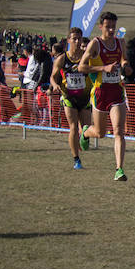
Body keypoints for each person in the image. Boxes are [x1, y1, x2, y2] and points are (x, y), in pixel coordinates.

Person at [79, 11, 133, 181]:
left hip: (117, 91)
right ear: (100, 26)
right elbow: (81, 67)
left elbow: (124, 59)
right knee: (101, 132)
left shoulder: (120, 42)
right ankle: (86, 133)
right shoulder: (95, 44)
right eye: (108, 27)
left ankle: (119, 169)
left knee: (119, 131)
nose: (111, 30)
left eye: (113, 27)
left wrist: (126, 66)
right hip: (100, 92)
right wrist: (103, 68)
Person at [51, 28, 93, 168]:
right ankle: (76, 159)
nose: (77, 41)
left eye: (79, 38)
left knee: (86, 128)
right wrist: (55, 85)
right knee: (73, 127)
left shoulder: (87, 57)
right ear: (68, 40)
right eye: (74, 38)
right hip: (68, 96)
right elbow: (52, 76)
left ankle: (84, 138)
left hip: (85, 97)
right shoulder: (62, 58)